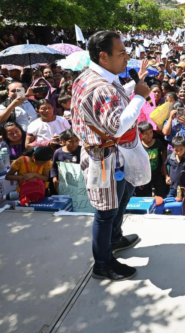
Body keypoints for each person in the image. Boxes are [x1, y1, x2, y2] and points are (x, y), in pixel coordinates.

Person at [71, 31, 152, 282]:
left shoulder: (97, 77)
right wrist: (139, 95)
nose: (127, 58)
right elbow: (118, 125)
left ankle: (114, 238)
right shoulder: (100, 87)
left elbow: (114, 99)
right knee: (106, 211)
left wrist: (133, 88)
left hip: (116, 156)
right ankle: (103, 263)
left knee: (124, 193)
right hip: (103, 159)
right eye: (122, 53)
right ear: (104, 57)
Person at [134, 122, 168, 198]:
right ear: (140, 134)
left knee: (161, 194)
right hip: (145, 176)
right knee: (145, 196)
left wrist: (163, 164)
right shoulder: (138, 146)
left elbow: (164, 151)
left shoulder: (157, 143)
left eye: (151, 132)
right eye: (146, 133)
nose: (149, 135)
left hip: (157, 174)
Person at [50, 130, 82, 194]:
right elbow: (53, 166)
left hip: (80, 183)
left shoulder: (82, 150)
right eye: (70, 141)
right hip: (64, 183)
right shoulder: (58, 152)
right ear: (64, 141)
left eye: (76, 140)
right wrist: (54, 178)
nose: (74, 144)